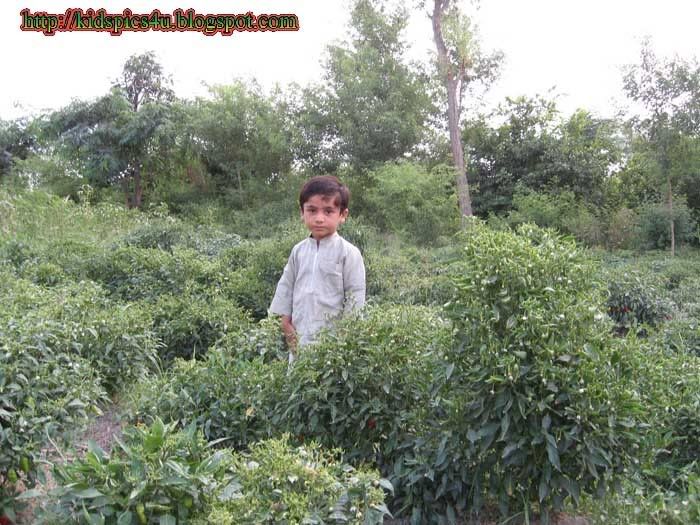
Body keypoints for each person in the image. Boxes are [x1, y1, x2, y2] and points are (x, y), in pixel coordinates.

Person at [269, 175, 366, 363]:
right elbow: (286, 287)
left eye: (328, 211)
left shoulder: (349, 253)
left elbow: (356, 296)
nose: (319, 218)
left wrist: (343, 338)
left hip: (333, 344)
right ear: (302, 212)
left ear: (342, 215)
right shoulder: (298, 251)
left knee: (329, 388)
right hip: (299, 338)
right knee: (299, 384)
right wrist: (286, 325)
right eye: (312, 210)